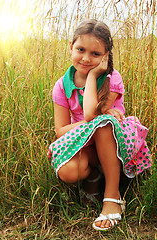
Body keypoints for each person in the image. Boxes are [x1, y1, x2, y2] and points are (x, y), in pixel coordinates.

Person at [47, 19, 152, 231]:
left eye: (95, 54)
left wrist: (93, 76)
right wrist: (89, 125)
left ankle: (112, 196)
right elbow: (61, 131)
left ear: (106, 56)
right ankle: (94, 176)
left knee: (103, 125)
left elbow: (88, 115)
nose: (86, 59)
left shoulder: (111, 78)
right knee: (68, 170)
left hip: (115, 142)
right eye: (80, 49)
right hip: (84, 144)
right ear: (71, 47)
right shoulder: (61, 85)